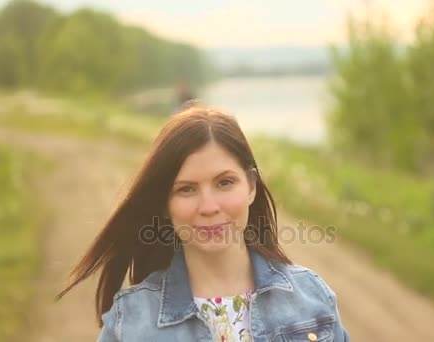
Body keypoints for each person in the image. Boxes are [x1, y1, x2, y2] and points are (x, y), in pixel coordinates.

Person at [56, 106, 350, 342]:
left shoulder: (311, 298)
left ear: (250, 186)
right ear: (164, 203)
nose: (209, 207)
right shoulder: (130, 322)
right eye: (186, 189)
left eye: (225, 182)